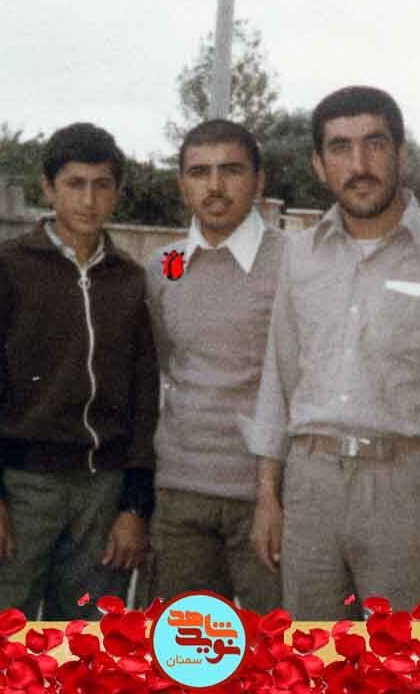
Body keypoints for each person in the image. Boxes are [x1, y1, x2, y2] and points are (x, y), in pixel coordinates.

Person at [243, 86, 420, 620]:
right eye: (340, 148)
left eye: (374, 144)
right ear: (319, 165)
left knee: (409, 654)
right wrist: (267, 496)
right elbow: (279, 377)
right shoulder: (299, 256)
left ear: (400, 154)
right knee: (313, 654)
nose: (359, 165)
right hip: (309, 485)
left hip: (403, 488)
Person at [0, 122, 160, 621]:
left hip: (103, 493)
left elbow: (144, 396)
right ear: (48, 188)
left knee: (89, 640)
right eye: (74, 184)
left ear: (117, 192)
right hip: (23, 488)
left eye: (102, 185)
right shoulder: (3, 267)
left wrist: (134, 505)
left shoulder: (131, 279)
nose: (88, 200)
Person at [144, 119, 285, 614]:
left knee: (282, 647)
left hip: (268, 499)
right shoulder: (166, 265)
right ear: (182, 184)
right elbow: (168, 358)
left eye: (231, 170)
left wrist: (274, 494)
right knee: (189, 648)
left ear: (259, 181)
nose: (215, 186)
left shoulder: (294, 262)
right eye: (199, 172)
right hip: (179, 494)